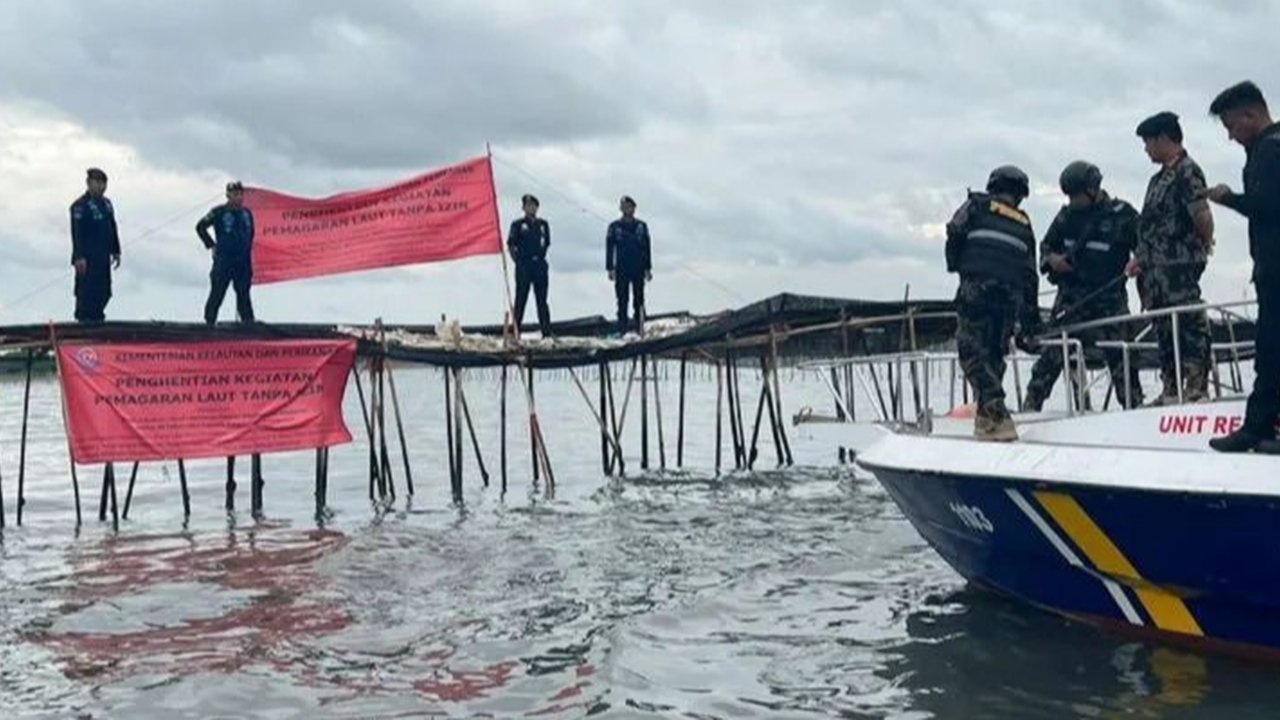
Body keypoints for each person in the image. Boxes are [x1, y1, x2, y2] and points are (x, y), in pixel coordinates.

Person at [1023, 161, 1145, 411]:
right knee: (1051, 355)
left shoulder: (1122, 215)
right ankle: (1030, 407)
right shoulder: (1066, 217)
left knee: (1122, 357)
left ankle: (1134, 408)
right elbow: (1046, 248)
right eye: (1069, 196)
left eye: (1076, 195)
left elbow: (1146, 244)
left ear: (1092, 189)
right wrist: (1052, 260)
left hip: (1109, 300)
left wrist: (1138, 261)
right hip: (1071, 300)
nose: (1072, 201)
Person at [1205, 82, 1280, 453]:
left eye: (1232, 126)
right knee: (1270, 352)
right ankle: (1261, 426)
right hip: (1270, 269)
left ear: (1251, 115)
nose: (1231, 137)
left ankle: (1257, 428)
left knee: (1270, 350)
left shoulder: (1270, 150)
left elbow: (1268, 205)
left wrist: (1228, 198)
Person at [945, 165, 1042, 441]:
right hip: (1008, 301)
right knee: (994, 356)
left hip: (976, 292)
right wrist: (1031, 323)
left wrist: (955, 263)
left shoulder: (976, 206)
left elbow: (954, 231)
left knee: (971, 353)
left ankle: (996, 410)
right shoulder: (1024, 223)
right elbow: (1029, 276)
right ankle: (987, 420)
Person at [1127, 111, 1216, 404]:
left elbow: (1201, 214)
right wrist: (1140, 258)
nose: (1146, 149)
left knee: (1189, 322)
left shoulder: (1187, 171)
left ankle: (1196, 384)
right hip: (1154, 273)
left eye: (1148, 142)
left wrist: (1202, 245)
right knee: (1164, 328)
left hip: (1179, 266)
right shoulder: (1157, 180)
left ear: (1164, 138)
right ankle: (1171, 387)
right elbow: (1150, 226)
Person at [197, 181, 256, 325]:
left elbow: (251, 233)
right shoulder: (218, 212)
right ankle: (209, 323)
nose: (238, 197)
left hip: (242, 262)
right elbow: (200, 227)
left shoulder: (247, 214)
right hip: (224, 260)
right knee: (217, 292)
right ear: (228, 195)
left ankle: (248, 325)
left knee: (243, 294)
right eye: (234, 194)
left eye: (240, 194)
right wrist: (211, 245)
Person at [69, 167, 121, 323]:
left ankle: (98, 316)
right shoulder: (80, 205)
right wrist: (79, 256)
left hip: (103, 255)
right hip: (87, 257)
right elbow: (76, 233)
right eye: (97, 182)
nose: (101, 186)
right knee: (86, 292)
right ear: (89, 183)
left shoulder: (107, 204)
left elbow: (112, 226)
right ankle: (84, 319)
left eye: (103, 183)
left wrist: (116, 250)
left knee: (104, 290)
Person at [506, 193, 553, 337]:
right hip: (524, 265)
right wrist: (518, 261)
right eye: (527, 206)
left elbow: (546, 243)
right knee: (521, 299)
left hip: (539, 264)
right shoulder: (518, 225)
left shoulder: (543, 224)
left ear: (537, 207)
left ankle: (546, 332)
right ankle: (515, 331)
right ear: (523, 208)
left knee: (542, 300)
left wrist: (540, 257)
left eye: (532, 205)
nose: (530, 208)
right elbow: (511, 244)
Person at [606, 195, 652, 333]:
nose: (627, 209)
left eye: (629, 207)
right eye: (624, 206)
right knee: (622, 299)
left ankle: (639, 326)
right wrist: (610, 268)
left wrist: (648, 268)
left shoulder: (641, 226)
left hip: (638, 266)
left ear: (634, 208)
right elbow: (609, 248)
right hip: (622, 267)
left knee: (639, 299)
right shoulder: (614, 227)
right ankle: (622, 328)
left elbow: (647, 247)